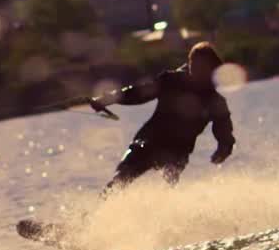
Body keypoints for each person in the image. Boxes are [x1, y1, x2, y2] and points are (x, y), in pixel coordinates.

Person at [88, 41, 235, 193]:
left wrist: (224, 148)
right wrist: (108, 99)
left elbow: (224, 131)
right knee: (121, 178)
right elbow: (139, 92)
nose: (195, 70)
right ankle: (100, 210)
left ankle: (165, 213)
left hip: (177, 152)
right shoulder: (171, 81)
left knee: (168, 188)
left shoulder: (215, 101)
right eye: (193, 64)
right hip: (149, 141)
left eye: (202, 67)